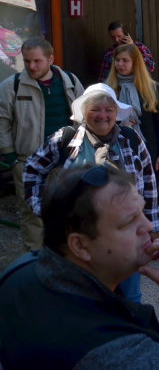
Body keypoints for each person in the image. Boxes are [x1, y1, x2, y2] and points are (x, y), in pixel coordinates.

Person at [0, 163, 159, 370]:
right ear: (80, 245)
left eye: (142, 212)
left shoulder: (20, 270)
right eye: (129, 221)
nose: (148, 225)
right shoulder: (109, 351)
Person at [23, 83, 159, 303]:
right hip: (80, 236)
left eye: (109, 110)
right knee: (80, 297)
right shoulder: (65, 139)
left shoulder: (132, 139)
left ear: (117, 113)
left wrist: (153, 228)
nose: (102, 115)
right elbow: (32, 169)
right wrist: (45, 209)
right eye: (95, 109)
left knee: (130, 297)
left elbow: (149, 182)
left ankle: (127, 334)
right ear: (83, 112)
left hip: (125, 235)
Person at [0, 37, 84, 251]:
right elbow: (2, 122)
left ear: (51, 59)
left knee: (68, 211)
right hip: (28, 162)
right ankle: (36, 265)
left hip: (66, 163)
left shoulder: (71, 82)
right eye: (27, 61)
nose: (31, 66)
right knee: (32, 215)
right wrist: (12, 160)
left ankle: (64, 260)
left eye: (37, 61)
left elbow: (84, 118)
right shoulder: (13, 85)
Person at [106, 44, 159, 227]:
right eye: (117, 60)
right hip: (117, 152)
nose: (120, 64)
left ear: (135, 63)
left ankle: (154, 235)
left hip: (147, 151)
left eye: (125, 60)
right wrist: (120, 125)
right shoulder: (109, 89)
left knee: (150, 197)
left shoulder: (151, 88)